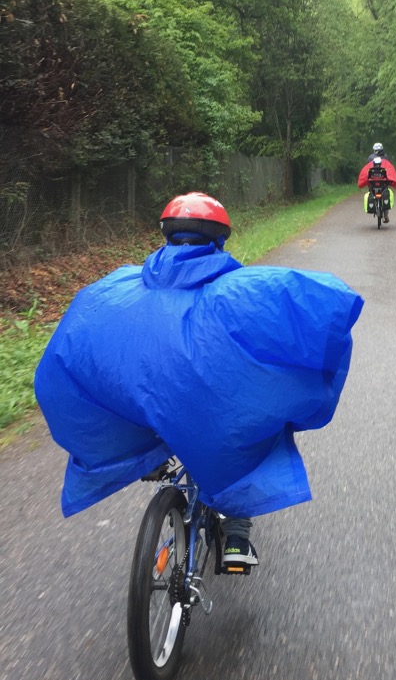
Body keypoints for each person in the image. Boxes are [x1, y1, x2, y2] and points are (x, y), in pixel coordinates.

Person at [34, 192, 364, 571]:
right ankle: (236, 537)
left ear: (166, 235)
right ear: (219, 238)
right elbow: (311, 305)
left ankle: (145, 457)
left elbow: (74, 346)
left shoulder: (118, 287)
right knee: (253, 436)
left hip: (139, 413)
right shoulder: (240, 289)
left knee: (154, 410)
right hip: (204, 413)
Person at [357, 155, 396, 223]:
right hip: (382, 187)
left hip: (373, 188)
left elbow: (366, 178)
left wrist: (366, 183)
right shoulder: (384, 170)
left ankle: (374, 207)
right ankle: (385, 214)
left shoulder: (370, 170)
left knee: (371, 193)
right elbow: (387, 177)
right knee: (386, 195)